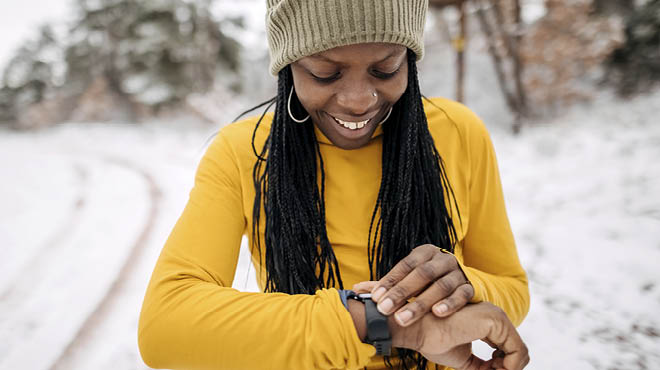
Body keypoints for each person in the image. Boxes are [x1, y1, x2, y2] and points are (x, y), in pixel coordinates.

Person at [138, 1, 530, 369]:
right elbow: (166, 323)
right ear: (288, 64)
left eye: (386, 69)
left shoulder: (459, 133)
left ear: (409, 59)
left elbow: (511, 288)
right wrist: (386, 323)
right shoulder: (244, 152)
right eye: (325, 73)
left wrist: (462, 287)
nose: (359, 101)